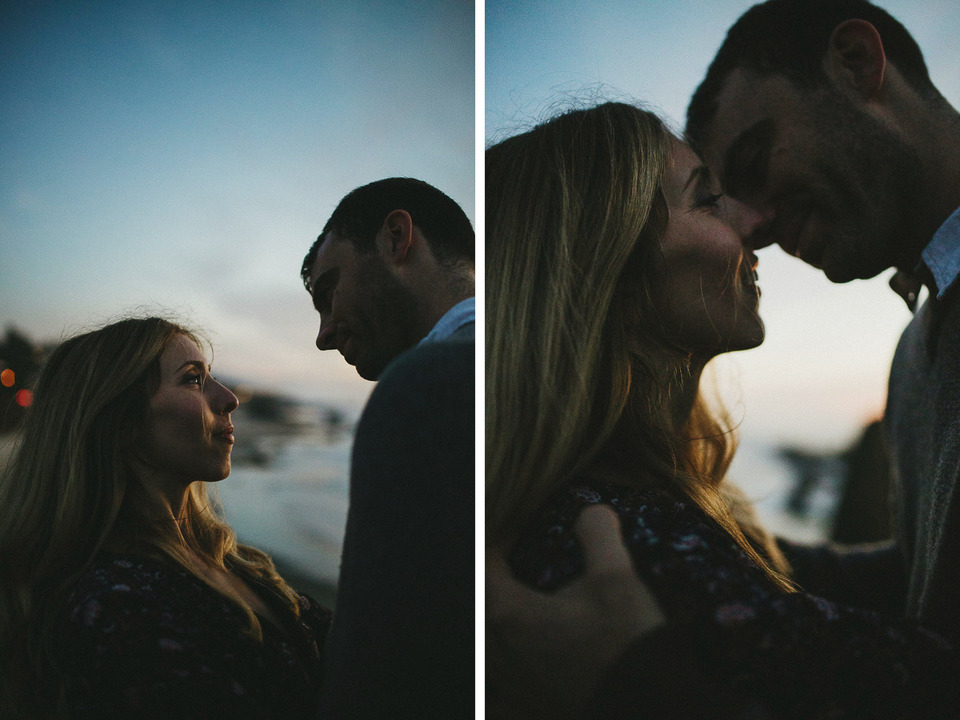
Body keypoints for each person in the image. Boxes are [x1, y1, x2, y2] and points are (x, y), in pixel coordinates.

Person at [485, 101, 958, 720]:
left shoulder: (638, 509)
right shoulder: (629, 563)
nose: (752, 226)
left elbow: (846, 579)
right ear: (612, 272)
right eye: (707, 200)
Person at [683, 0, 960, 642]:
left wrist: (646, 669)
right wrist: (700, 539)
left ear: (857, 63)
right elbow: (922, 586)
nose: (754, 229)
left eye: (753, 164)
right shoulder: (917, 352)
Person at [0, 316, 331, 719]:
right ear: (120, 421)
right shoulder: (118, 613)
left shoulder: (227, 558)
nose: (230, 398)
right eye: (193, 379)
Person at [300, 177, 475, 717]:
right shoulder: (537, 366)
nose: (325, 335)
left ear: (397, 237)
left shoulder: (430, 386)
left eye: (328, 295)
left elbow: (375, 679)